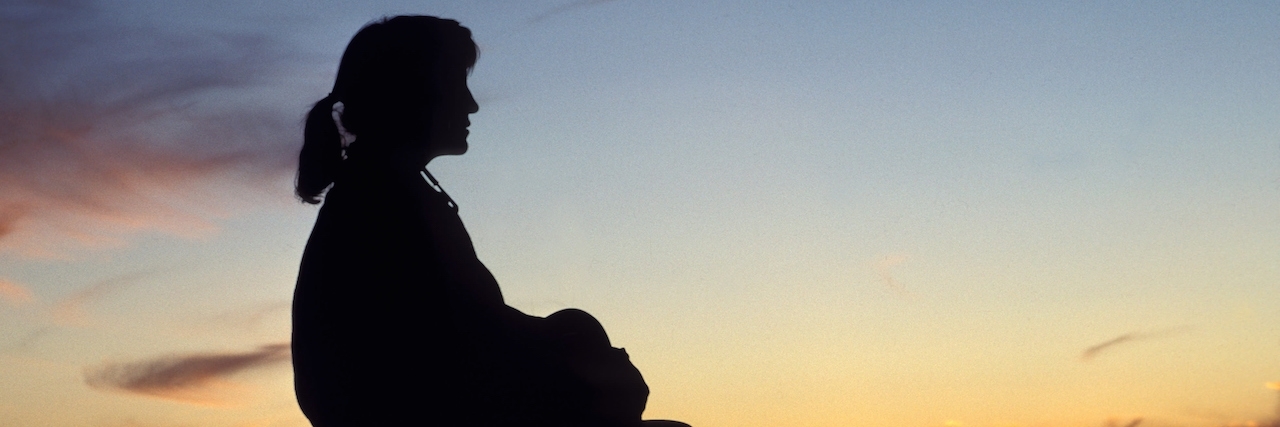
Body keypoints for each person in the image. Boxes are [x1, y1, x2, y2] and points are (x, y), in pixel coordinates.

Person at [290, 16, 688, 427]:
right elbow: (456, 347)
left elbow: (467, 327)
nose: (471, 104)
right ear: (411, 93)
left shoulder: (386, 193)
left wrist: (569, 338)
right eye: (455, 84)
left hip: (426, 401)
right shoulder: (381, 205)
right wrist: (577, 354)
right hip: (418, 410)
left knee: (578, 329)